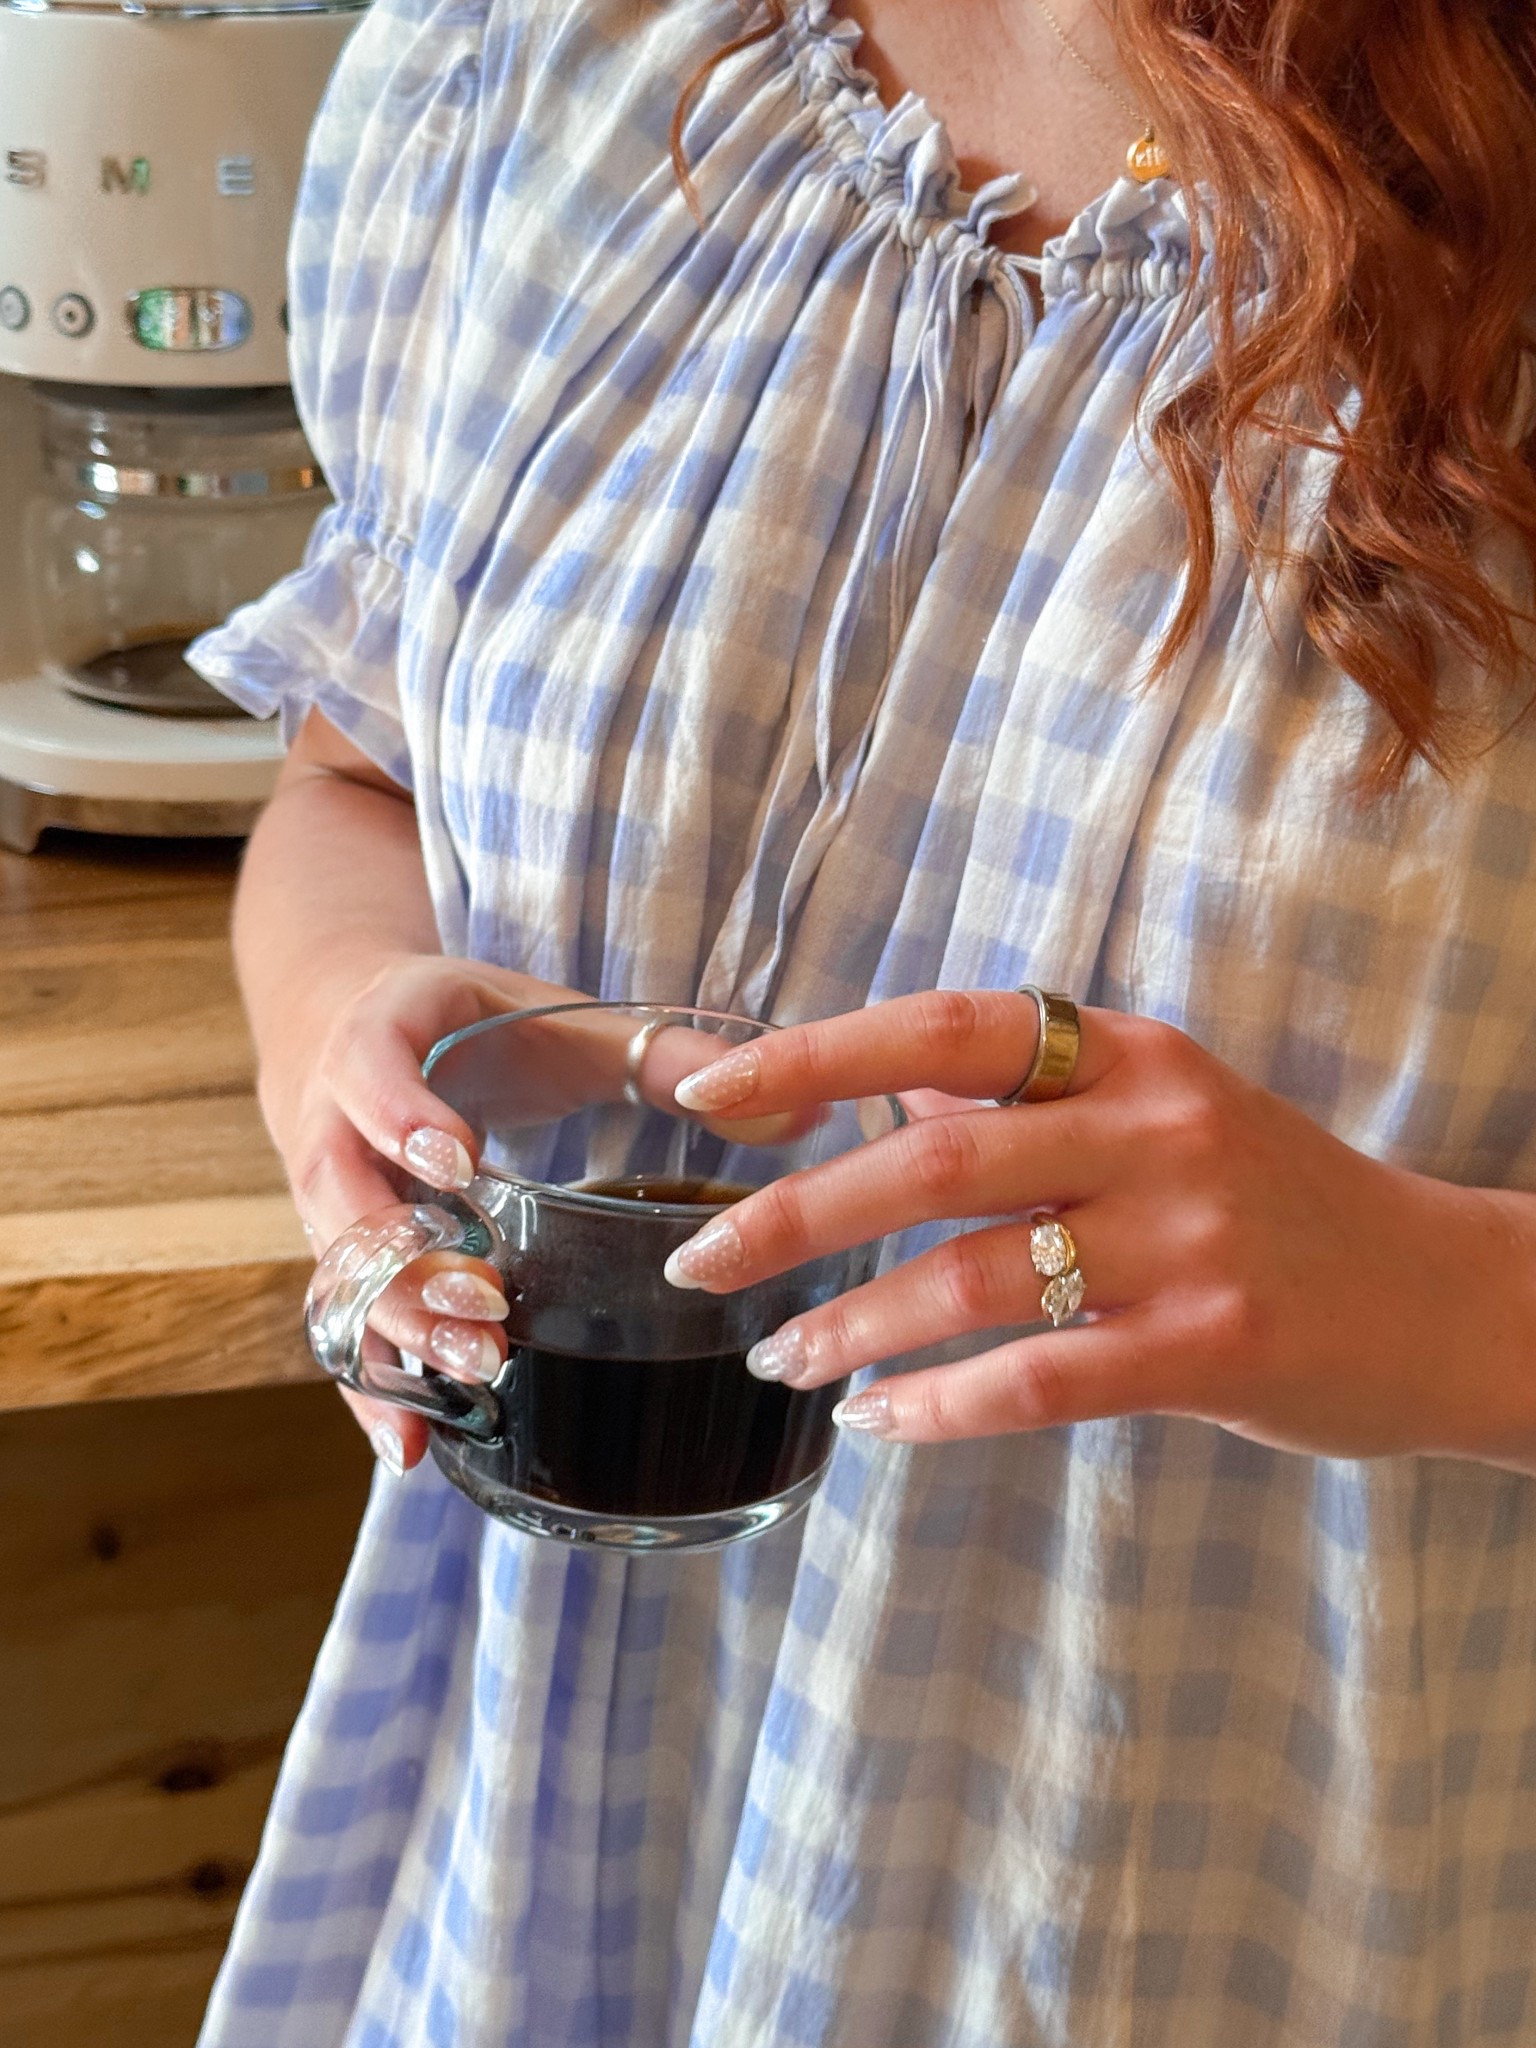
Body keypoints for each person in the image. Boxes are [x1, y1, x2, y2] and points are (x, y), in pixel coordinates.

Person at [189, 0, 1536, 2040]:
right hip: (531, 1874)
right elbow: (352, 780)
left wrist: (1434, 1298)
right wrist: (343, 1034)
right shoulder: (532, 66)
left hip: (1224, 1899)